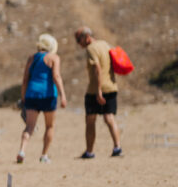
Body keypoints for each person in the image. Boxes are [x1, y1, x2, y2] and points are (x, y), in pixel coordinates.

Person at [17, 34, 67, 164]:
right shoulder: (54, 57)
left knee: (29, 127)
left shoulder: (32, 58)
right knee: (50, 126)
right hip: (48, 95)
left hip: (32, 94)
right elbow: (56, 76)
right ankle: (44, 155)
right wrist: (63, 95)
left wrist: (23, 97)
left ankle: (22, 151)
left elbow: (25, 80)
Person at [75, 27, 123, 158]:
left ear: (87, 37)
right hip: (111, 86)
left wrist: (98, 91)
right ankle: (117, 147)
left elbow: (97, 69)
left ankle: (89, 151)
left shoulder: (91, 49)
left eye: (79, 40)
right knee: (109, 117)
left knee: (90, 119)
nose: (78, 43)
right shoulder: (105, 44)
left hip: (95, 89)